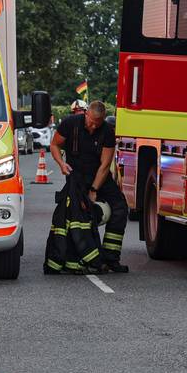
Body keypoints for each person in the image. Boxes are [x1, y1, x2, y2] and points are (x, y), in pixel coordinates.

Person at [49, 100, 128, 271]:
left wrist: (94, 190)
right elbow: (54, 144)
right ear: (86, 114)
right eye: (91, 122)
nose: (93, 126)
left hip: (99, 177)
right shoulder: (70, 124)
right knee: (79, 215)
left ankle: (111, 257)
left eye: (97, 123)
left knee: (120, 208)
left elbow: (105, 165)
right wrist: (61, 164)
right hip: (76, 178)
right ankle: (85, 257)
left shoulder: (107, 132)